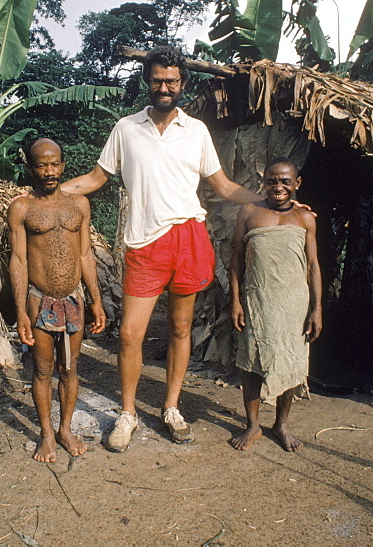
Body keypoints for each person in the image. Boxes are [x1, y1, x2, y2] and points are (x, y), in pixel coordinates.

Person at [62, 45, 291, 452]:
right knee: (131, 334)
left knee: (181, 328)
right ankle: (128, 413)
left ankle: (171, 407)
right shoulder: (126, 129)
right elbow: (96, 178)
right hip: (144, 244)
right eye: (157, 80)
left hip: (188, 239)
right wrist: (49, 193)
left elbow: (222, 186)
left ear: (182, 84)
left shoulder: (196, 131)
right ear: (146, 83)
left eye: (171, 81)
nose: (164, 87)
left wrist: (266, 200)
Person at [8, 138, 107, 462]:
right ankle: (46, 434)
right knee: (41, 370)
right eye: (41, 165)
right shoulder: (22, 207)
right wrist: (22, 310)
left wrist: (96, 299)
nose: (49, 171)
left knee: (71, 368)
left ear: (63, 166)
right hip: (40, 300)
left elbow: (85, 253)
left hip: (74, 299)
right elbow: (19, 260)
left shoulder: (78, 204)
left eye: (54, 164)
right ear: (30, 168)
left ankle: (65, 428)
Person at [228, 157, 322, 452]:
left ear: (297, 183)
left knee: (291, 362)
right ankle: (253, 425)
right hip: (258, 298)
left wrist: (317, 308)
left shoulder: (305, 219)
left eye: (285, 181)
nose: (278, 187)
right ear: (264, 182)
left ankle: (281, 424)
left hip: (294, 302)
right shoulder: (249, 213)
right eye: (271, 180)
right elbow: (236, 261)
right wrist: (236, 301)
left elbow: (313, 266)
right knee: (252, 361)